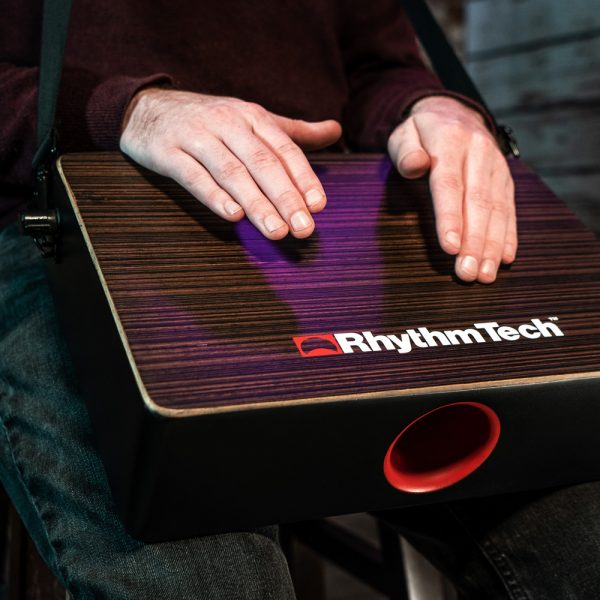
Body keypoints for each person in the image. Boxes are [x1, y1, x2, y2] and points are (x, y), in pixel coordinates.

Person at [4, 1, 587, 599]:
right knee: (199, 564)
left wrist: (430, 108)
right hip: (72, 221)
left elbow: (378, 69)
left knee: (583, 531)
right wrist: (124, 111)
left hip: (331, 225)